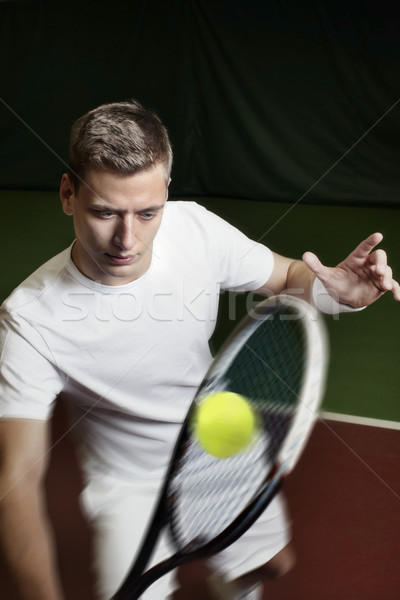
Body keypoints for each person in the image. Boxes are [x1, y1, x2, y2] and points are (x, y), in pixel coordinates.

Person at [0, 100, 398, 600]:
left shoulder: (195, 229)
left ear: (167, 190)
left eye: (147, 213)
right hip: (130, 482)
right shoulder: (30, 318)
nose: (127, 238)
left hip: (216, 442)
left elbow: (288, 277)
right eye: (105, 212)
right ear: (67, 194)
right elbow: (16, 479)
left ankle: (230, 580)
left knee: (272, 565)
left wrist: (338, 293)